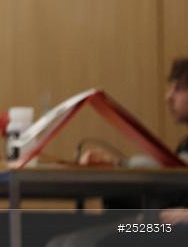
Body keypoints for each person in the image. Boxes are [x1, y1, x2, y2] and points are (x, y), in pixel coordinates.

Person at [46, 58, 188, 247]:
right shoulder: (184, 145)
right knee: (62, 241)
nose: (168, 97)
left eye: (178, 89)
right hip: (157, 222)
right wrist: (117, 165)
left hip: (169, 225)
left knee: (75, 243)